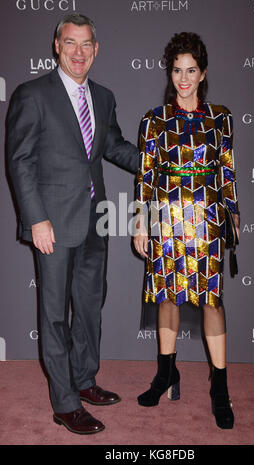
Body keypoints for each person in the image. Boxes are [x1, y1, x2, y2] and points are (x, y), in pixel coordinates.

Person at [7, 14, 138, 435]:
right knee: (54, 316)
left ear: (96, 50)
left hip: (95, 220)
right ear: (57, 46)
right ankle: (64, 403)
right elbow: (20, 161)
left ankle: (84, 381)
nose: (79, 52)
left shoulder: (103, 97)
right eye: (71, 43)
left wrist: (162, 161)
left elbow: (114, 147)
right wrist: (36, 219)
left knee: (89, 308)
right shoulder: (32, 95)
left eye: (87, 45)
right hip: (53, 223)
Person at [134, 32, 240, 429]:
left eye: (190, 70)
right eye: (177, 70)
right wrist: (141, 222)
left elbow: (227, 174)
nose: (183, 78)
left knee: (212, 302)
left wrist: (234, 217)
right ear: (170, 72)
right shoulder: (153, 120)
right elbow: (145, 177)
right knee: (167, 298)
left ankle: (220, 388)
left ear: (203, 72)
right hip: (166, 218)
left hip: (207, 220)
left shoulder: (221, 117)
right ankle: (166, 374)